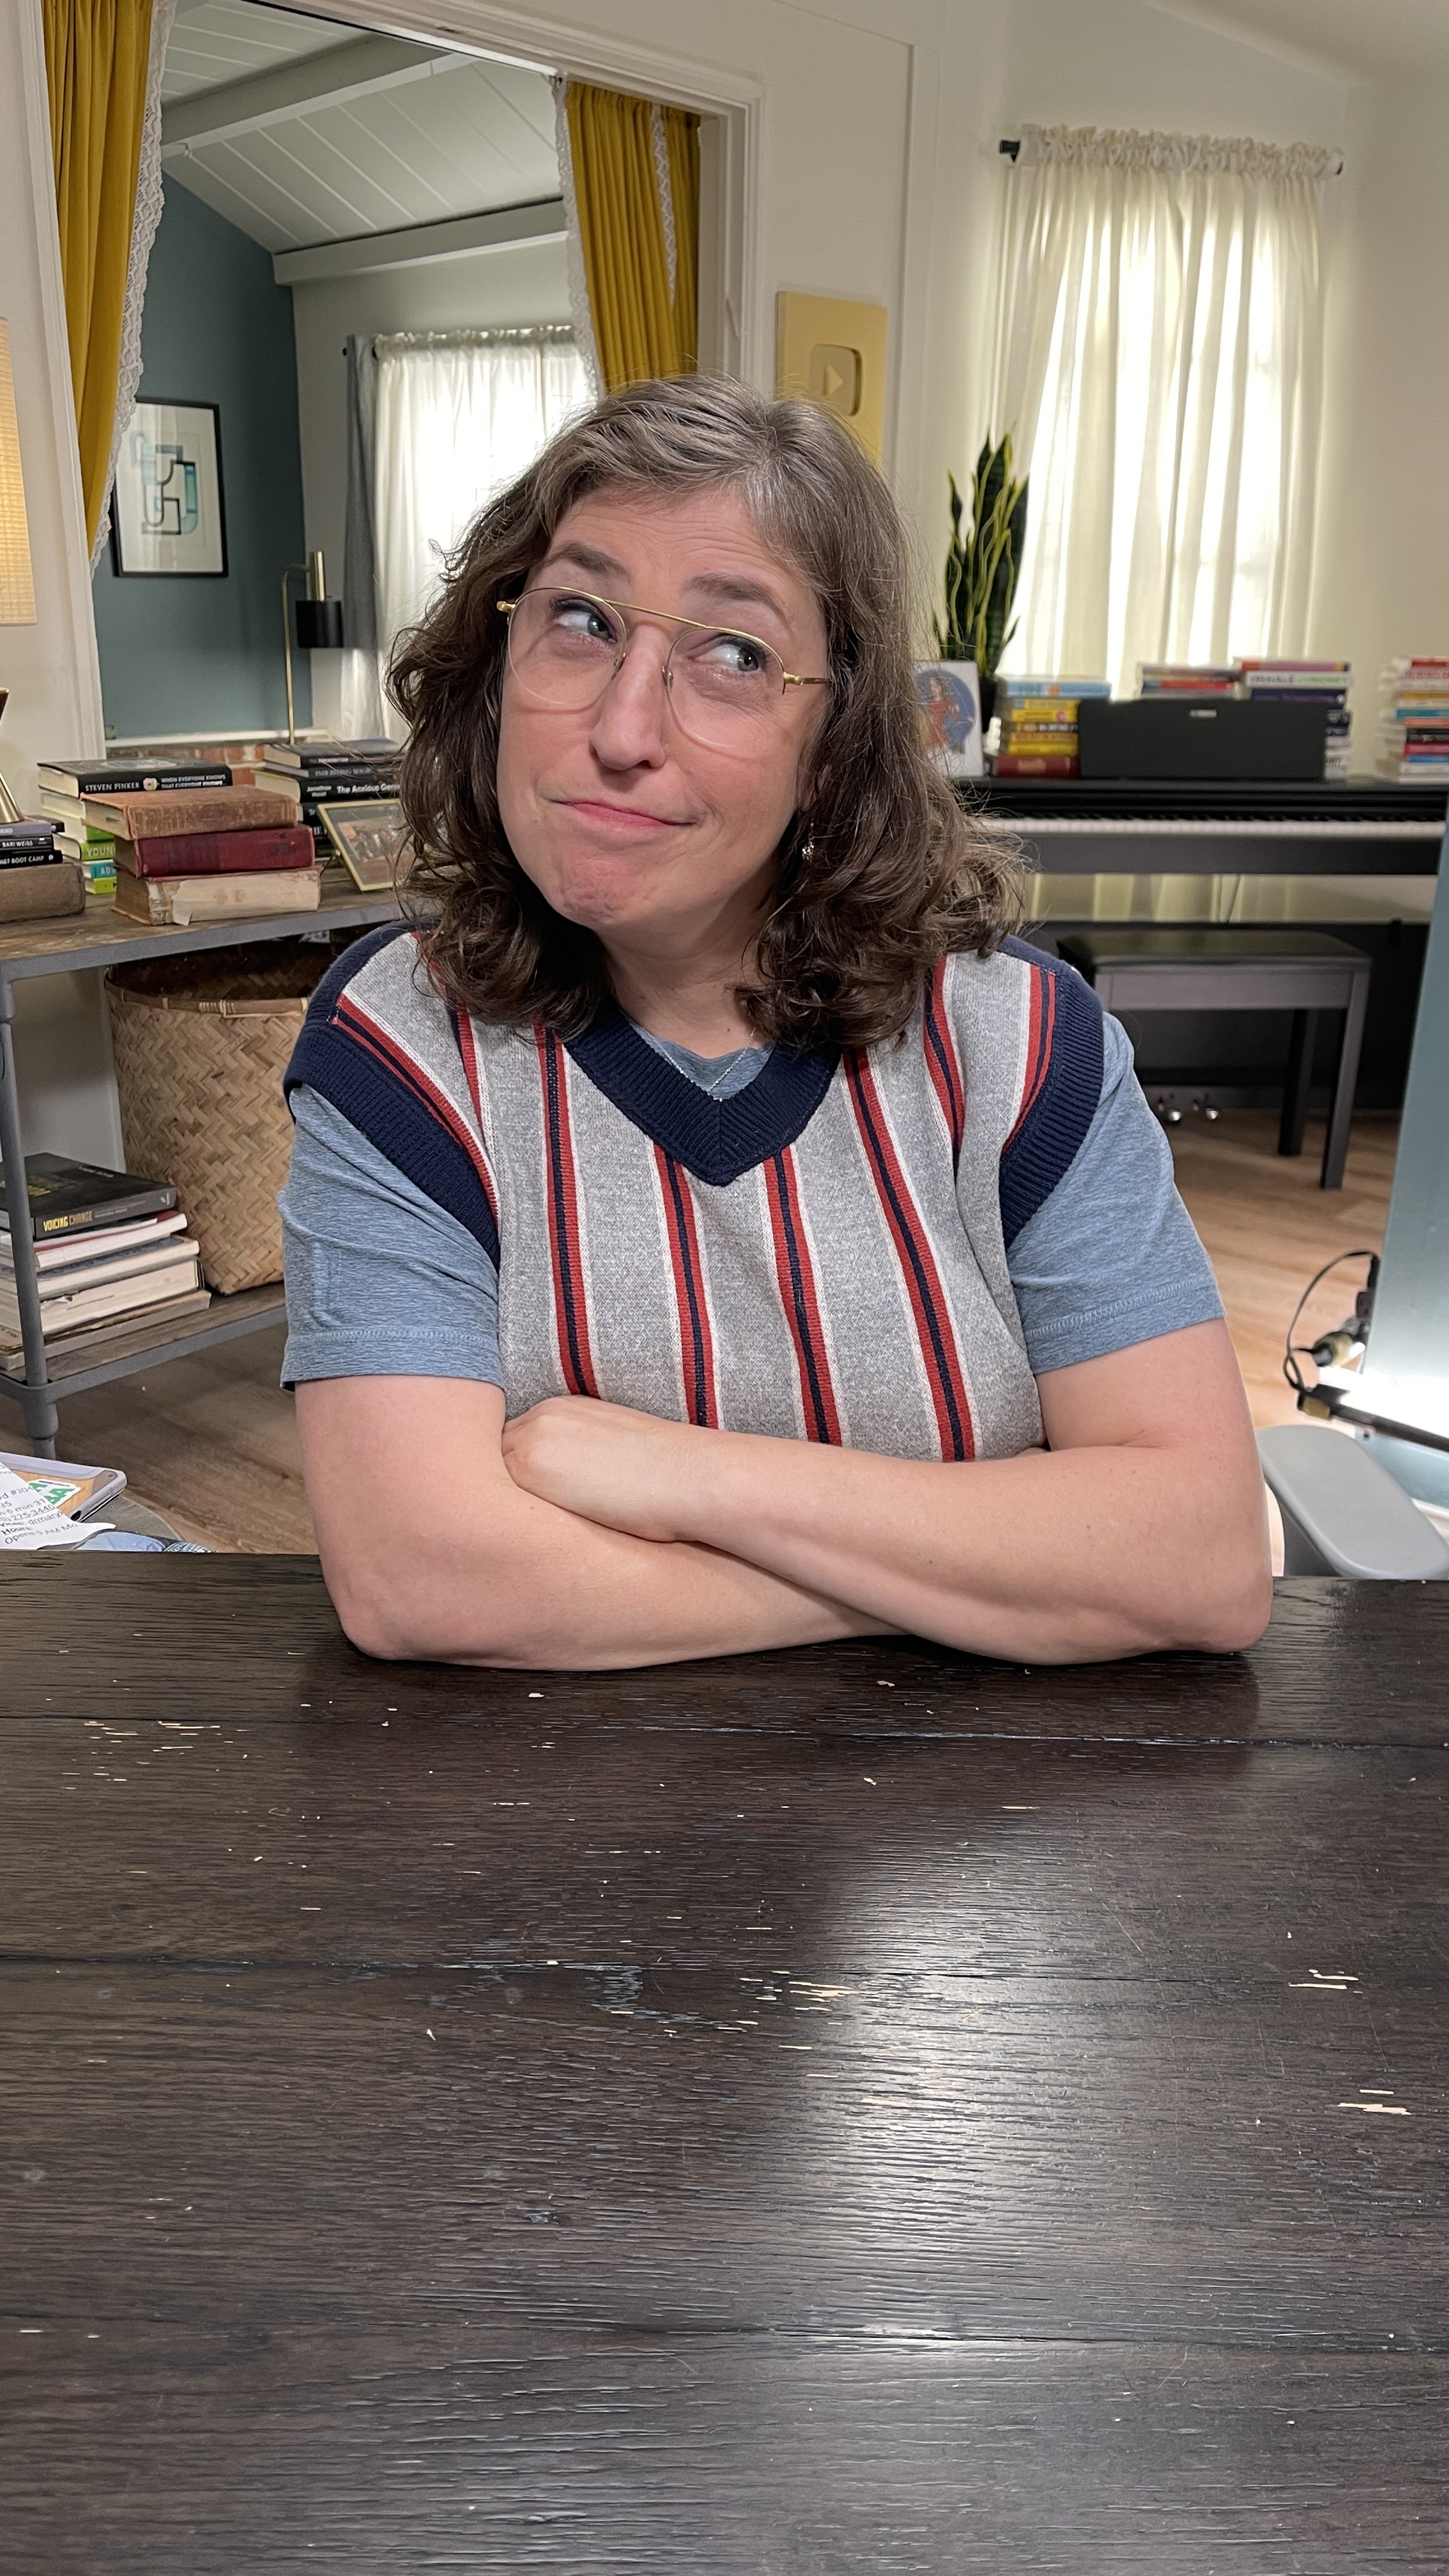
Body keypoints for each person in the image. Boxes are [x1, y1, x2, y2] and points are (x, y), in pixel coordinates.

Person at [280, 376, 1270, 1670]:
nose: (622, 730)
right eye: (579, 619)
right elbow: (424, 1580)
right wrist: (974, 1571)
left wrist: (690, 1478)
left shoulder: (1022, 1046)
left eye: (736, 656)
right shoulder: (401, 1046)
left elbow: (1202, 1561)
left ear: (836, 745)